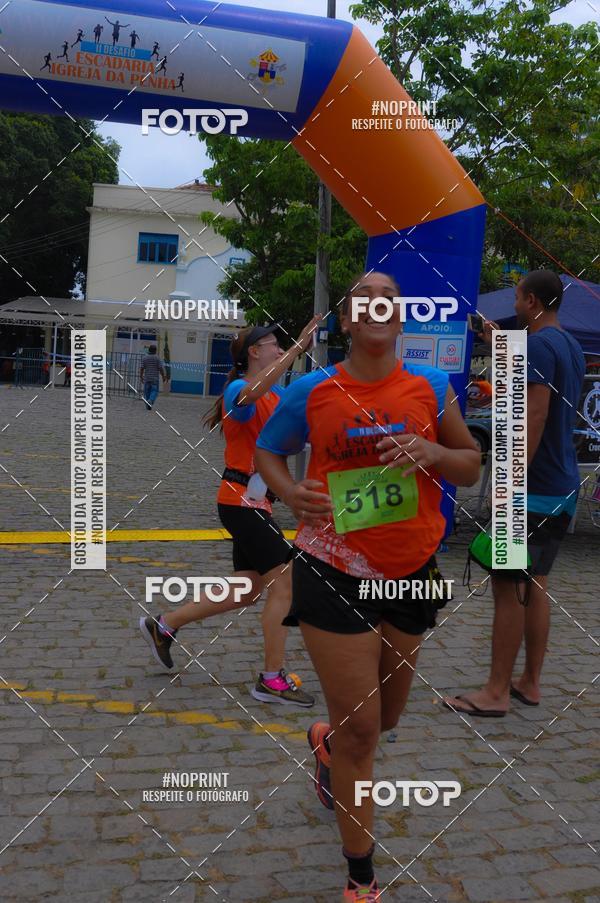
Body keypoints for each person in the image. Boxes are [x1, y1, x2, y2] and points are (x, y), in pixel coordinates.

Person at [254, 272, 480, 901]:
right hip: (332, 570)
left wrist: (431, 454)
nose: (377, 307)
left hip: (411, 577)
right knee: (362, 733)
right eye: (363, 301)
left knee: (384, 721)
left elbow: (470, 462)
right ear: (348, 321)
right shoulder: (312, 390)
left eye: (388, 300)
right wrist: (287, 489)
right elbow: (268, 452)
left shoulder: (431, 387)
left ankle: (325, 748)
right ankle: (361, 878)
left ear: (400, 319)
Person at [140, 317, 320, 707]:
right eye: (274, 344)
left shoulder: (275, 395)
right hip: (241, 502)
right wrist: (297, 349)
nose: (278, 348)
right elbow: (252, 393)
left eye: (280, 344)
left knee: (247, 590)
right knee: (285, 587)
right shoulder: (240, 390)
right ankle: (271, 680)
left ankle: (165, 624)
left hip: (257, 502)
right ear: (255, 352)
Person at [444, 269, 586, 717]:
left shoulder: (540, 346)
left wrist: (510, 478)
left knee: (507, 588)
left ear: (530, 302)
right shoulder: (568, 345)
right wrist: (499, 345)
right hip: (561, 486)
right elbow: (530, 397)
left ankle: (496, 692)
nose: (515, 305)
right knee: (535, 583)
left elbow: (537, 413)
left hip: (531, 488)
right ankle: (530, 684)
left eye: (519, 298)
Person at [139, 344, 167, 410]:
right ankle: (151, 400)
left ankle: (148, 405)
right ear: (155, 351)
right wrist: (163, 376)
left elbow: (142, 368)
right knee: (154, 391)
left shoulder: (145, 358)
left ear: (149, 350)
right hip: (155, 378)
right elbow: (160, 368)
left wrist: (141, 376)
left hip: (147, 378)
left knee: (147, 392)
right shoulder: (157, 358)